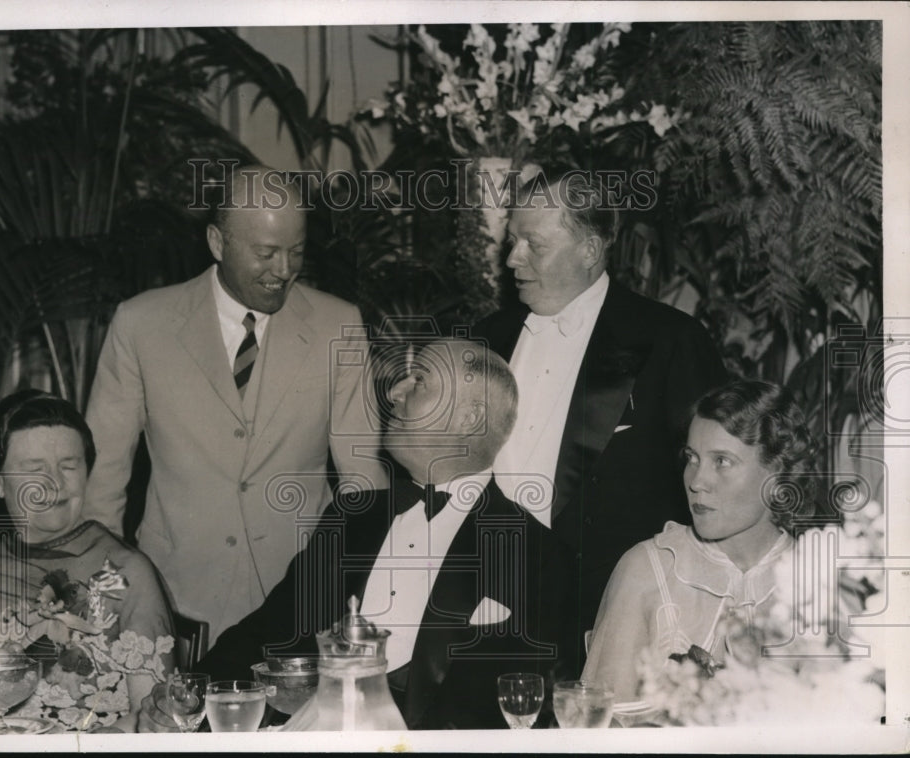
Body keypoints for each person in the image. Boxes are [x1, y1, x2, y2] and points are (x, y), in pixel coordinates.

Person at [191, 339, 568, 730]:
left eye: (419, 380)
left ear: (469, 419)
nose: (394, 391)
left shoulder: (535, 554)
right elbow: (266, 632)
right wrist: (189, 697)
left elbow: (527, 706)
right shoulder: (351, 518)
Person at [82, 166, 386, 639]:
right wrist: (107, 601)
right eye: (265, 253)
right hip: (173, 602)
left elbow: (362, 482)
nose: (283, 271)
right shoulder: (141, 324)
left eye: (296, 252)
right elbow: (102, 480)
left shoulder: (339, 325)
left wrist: (361, 597)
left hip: (303, 604)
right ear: (218, 243)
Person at [473, 169, 728, 673]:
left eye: (533, 244)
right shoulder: (487, 336)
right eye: (512, 240)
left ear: (590, 250)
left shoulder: (669, 340)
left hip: (605, 614)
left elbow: (713, 480)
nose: (512, 259)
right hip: (480, 603)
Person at [580, 379, 823, 702]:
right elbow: (599, 731)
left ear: (777, 474)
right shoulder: (648, 570)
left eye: (722, 461)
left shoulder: (823, 583)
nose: (696, 481)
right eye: (692, 458)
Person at [0, 391, 175, 733]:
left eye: (69, 466)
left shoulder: (123, 573)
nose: (54, 483)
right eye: (34, 469)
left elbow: (156, 718)